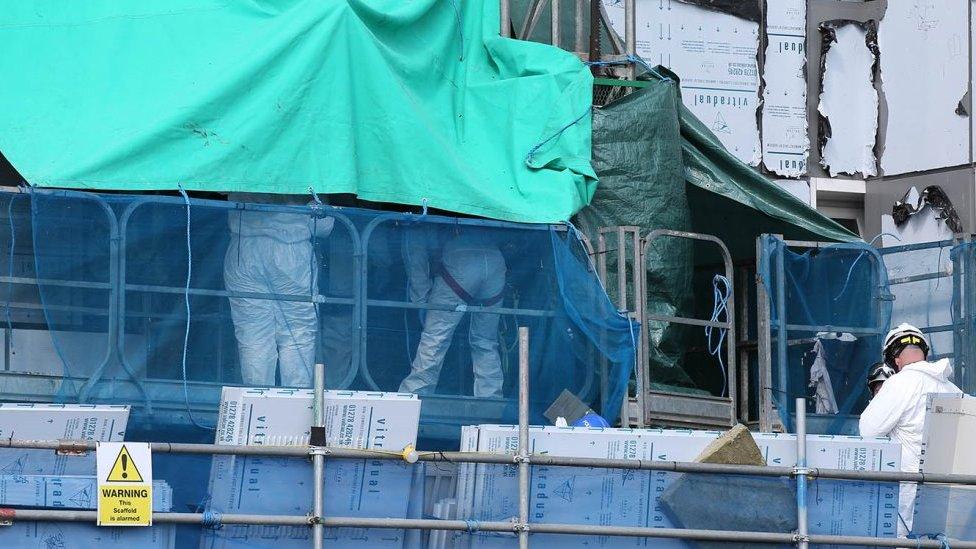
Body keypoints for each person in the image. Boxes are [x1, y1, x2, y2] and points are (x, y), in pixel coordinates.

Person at [859, 323, 963, 536]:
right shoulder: (953, 389)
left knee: (904, 541)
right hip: (950, 494)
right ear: (924, 352)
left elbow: (868, 431)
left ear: (895, 360)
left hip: (909, 494)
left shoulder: (899, 383)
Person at [224, 193, 333, 387]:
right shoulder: (311, 165)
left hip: (243, 249)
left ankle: (257, 404)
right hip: (292, 251)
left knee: (252, 333)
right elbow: (324, 227)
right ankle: (293, 404)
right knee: (298, 333)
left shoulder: (240, 163)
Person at [399, 227, 507, 398]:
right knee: (485, 340)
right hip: (496, 260)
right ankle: (491, 400)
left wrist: (421, 301)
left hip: (460, 260)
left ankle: (414, 397)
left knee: (435, 339)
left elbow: (416, 259)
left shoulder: (416, 223)